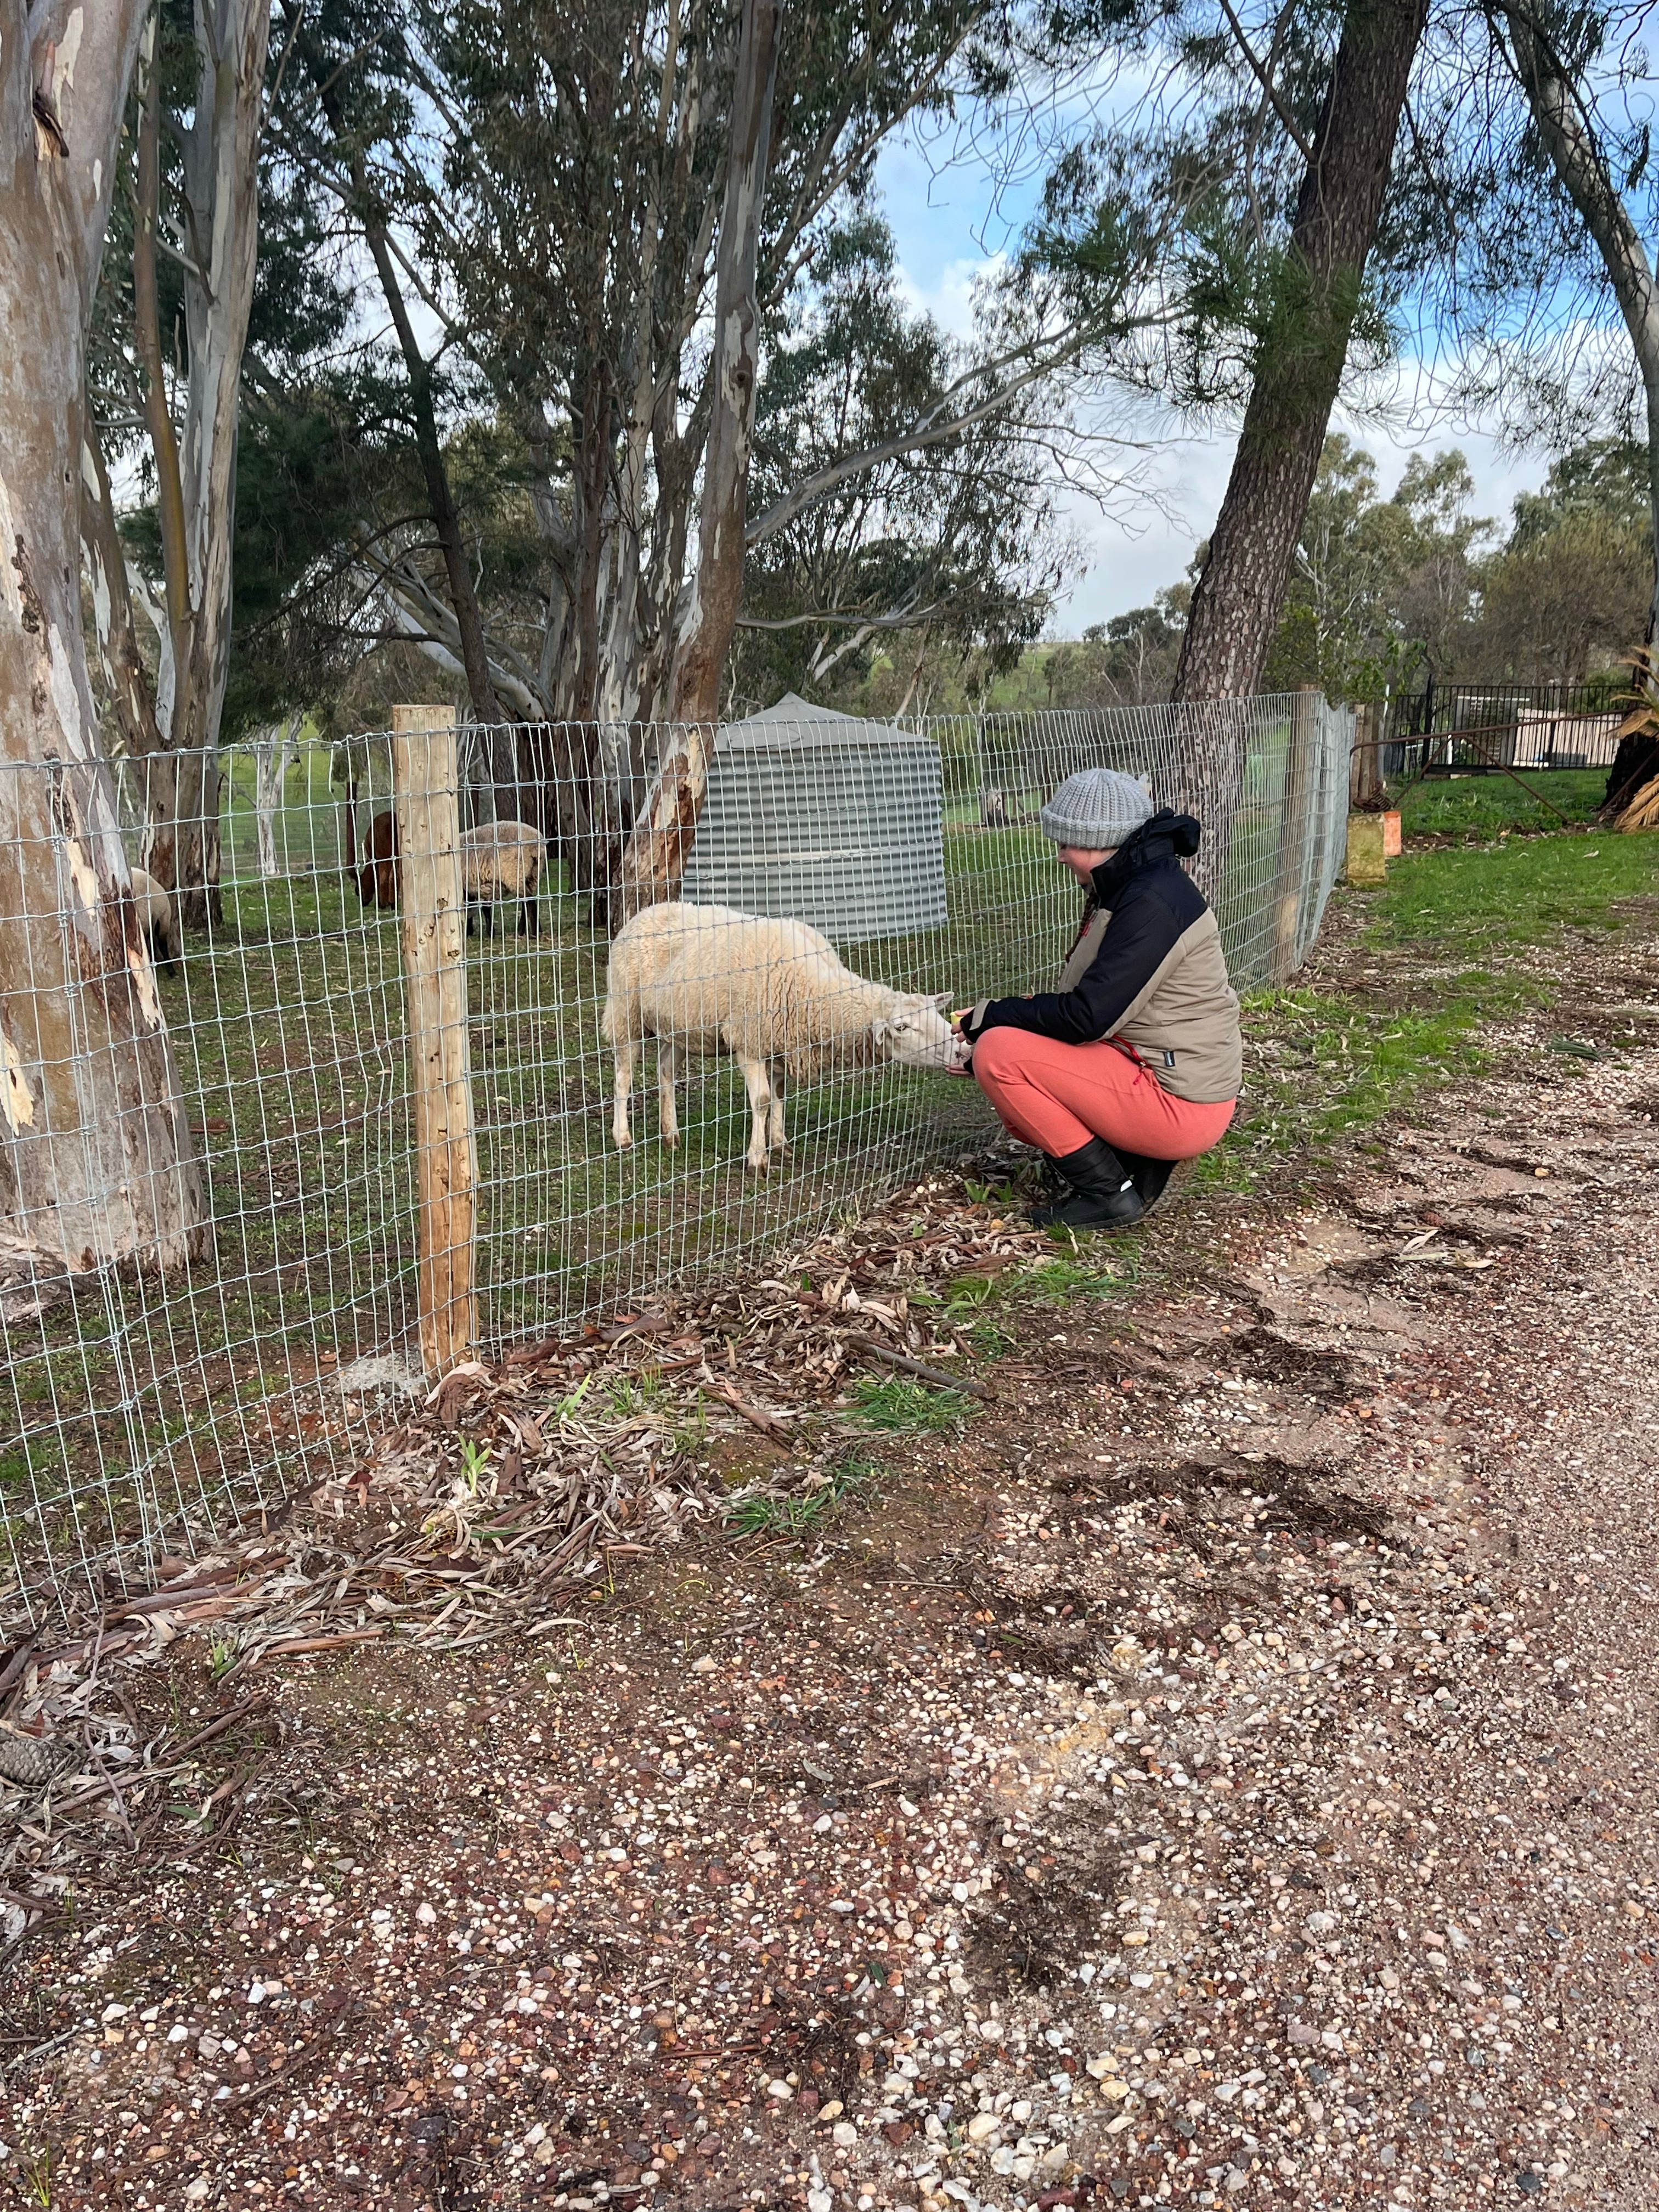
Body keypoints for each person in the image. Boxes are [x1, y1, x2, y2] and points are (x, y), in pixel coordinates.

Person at [955, 767, 1241, 1230]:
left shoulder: (1150, 903)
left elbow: (1086, 1018)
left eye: (1066, 843)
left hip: (1182, 1103)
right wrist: (1000, 1022)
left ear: (1099, 840)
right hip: (1165, 1073)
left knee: (1000, 1055)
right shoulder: (1135, 885)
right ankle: (1125, 1161)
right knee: (1003, 1051)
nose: (1062, 856)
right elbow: (1090, 1004)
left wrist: (992, 1019)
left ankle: (1109, 1194)